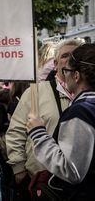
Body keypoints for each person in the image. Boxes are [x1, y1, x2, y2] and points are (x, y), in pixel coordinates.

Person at [5, 38, 85, 199]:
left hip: (78, 184)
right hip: (39, 180)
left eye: (75, 56)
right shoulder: (36, 92)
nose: (70, 60)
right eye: (65, 56)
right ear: (55, 64)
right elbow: (16, 131)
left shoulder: (87, 94)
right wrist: (18, 167)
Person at [27, 44, 95, 199]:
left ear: (76, 76)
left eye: (67, 71)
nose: (64, 75)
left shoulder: (81, 111)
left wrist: (38, 133)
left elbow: (71, 170)